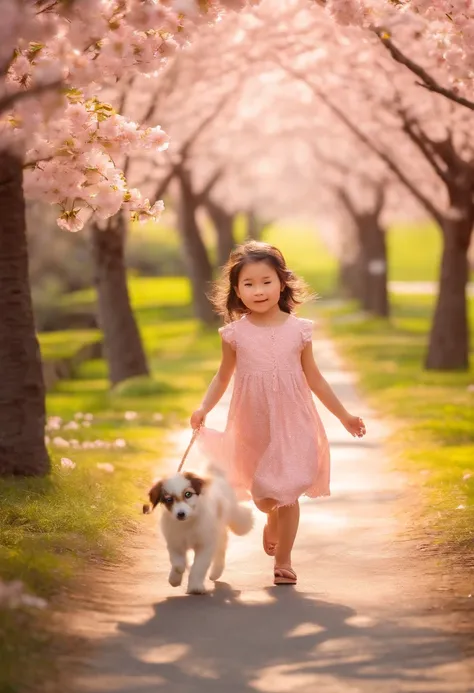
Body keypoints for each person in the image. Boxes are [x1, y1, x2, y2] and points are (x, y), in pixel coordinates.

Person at [190, 241, 366, 585]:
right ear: (237, 291)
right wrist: (203, 407)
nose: (259, 290)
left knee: (289, 487)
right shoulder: (234, 334)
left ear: (282, 283)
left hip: (293, 419)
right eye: (249, 284)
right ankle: (270, 519)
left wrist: (344, 416)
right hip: (253, 421)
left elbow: (314, 377)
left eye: (266, 281)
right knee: (265, 495)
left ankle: (283, 561)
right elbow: (223, 375)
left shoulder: (299, 330)